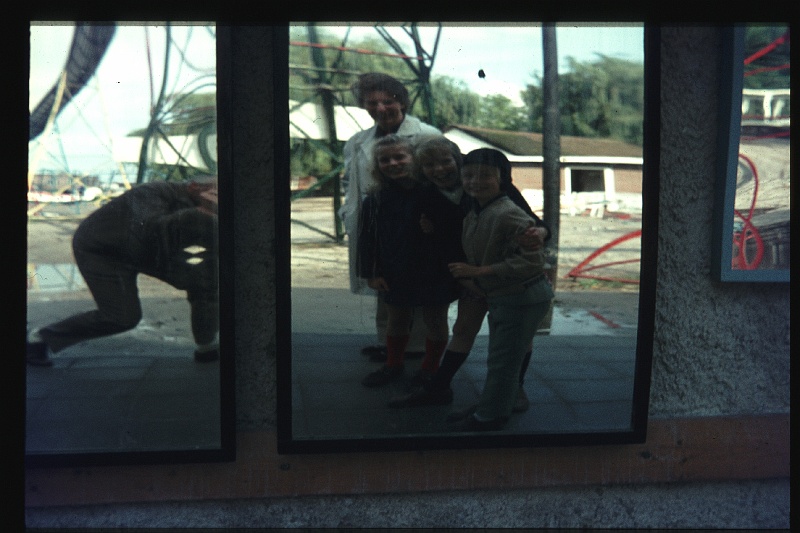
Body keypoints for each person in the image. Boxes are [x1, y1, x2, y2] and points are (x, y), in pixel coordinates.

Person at [388, 140, 550, 412]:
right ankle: (439, 387)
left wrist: (541, 234)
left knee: (518, 337)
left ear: (457, 161)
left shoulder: (495, 189)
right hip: (469, 275)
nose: (439, 169)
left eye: (446, 162)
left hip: (508, 279)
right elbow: (436, 246)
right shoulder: (427, 196)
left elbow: (534, 224)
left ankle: (515, 390)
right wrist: (465, 279)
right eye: (429, 165)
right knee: (463, 329)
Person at [26, 178, 219, 367]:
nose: (216, 197)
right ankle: (40, 338)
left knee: (204, 279)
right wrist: (198, 216)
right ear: (194, 187)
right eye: (213, 191)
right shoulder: (153, 192)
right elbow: (150, 229)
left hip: (143, 250)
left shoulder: (198, 207)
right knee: (121, 317)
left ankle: (206, 346)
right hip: (101, 250)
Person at [444, 148, 554, 431]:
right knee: (502, 357)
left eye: (485, 176)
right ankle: (491, 405)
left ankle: (490, 416)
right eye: (468, 176)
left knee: (504, 360)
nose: (474, 182)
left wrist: (479, 272)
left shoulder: (508, 214)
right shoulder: (477, 209)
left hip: (521, 296)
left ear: (503, 179)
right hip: (505, 296)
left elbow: (532, 261)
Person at [338, 72, 441, 361]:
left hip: (413, 222)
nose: (380, 108)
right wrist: (346, 213)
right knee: (383, 284)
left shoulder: (427, 135)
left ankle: (416, 349)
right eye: (372, 103)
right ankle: (388, 344)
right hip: (374, 221)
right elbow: (350, 183)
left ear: (402, 102)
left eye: (387, 101)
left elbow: (442, 179)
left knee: (419, 289)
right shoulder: (358, 141)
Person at [356, 134, 459, 387]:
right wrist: (371, 272)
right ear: (377, 166)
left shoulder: (434, 193)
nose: (393, 163)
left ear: (415, 159)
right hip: (395, 270)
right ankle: (393, 364)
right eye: (384, 160)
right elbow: (366, 239)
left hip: (434, 270)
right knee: (397, 319)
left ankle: (430, 368)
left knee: (435, 321)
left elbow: (455, 229)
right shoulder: (375, 199)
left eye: (399, 156)